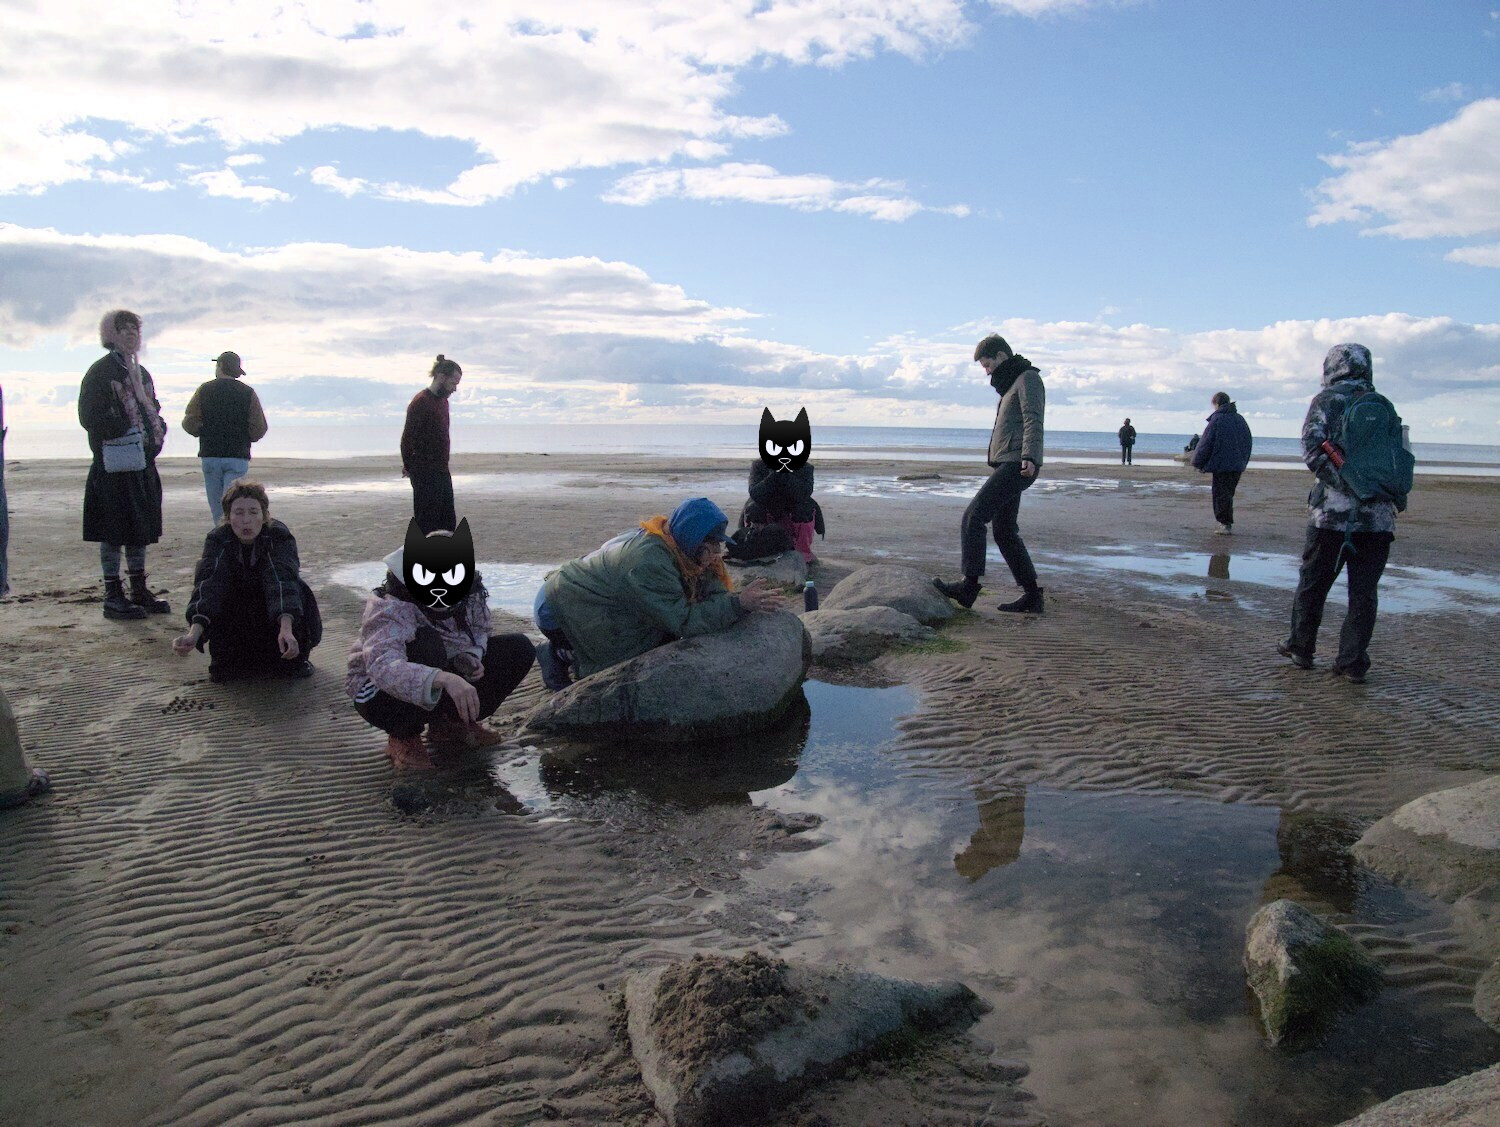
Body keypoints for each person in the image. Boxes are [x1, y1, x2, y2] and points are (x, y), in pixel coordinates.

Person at [533, 497, 784, 688]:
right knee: (633, 655)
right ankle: (559, 654)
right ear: (695, 539)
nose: (717, 552)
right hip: (559, 605)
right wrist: (737, 605)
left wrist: (734, 603)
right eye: (713, 545)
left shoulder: (685, 548)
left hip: (592, 596)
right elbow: (683, 621)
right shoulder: (649, 563)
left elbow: (711, 594)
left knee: (661, 632)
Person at [347, 526, 535, 768]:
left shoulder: (470, 591)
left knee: (518, 648)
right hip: (375, 692)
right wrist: (444, 678)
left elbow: (480, 629)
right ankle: (403, 735)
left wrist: (470, 655)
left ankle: (449, 723)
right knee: (427, 646)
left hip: (441, 667)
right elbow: (382, 666)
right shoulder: (390, 606)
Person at [1278, 344, 1399, 684]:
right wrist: (1380, 493)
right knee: (1363, 592)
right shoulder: (1384, 406)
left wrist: (1347, 485)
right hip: (1377, 519)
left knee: (1313, 583)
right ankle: (1352, 661)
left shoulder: (1327, 401)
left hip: (1331, 516)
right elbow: (1400, 459)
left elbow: (1312, 451)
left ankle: (1301, 647)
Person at [933, 334, 1046, 614]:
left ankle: (968, 587)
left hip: (1017, 463)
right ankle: (1032, 595)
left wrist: (1029, 456)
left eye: (987, 364)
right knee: (1005, 531)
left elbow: (1033, 418)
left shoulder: (1028, 378)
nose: (986, 371)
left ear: (1001, 357)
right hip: (1009, 462)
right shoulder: (1012, 383)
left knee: (973, 517)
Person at [174, 480, 320, 682]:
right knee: (224, 670)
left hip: (273, 610)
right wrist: (193, 633)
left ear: (264, 515)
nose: (246, 520)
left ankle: (294, 655)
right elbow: (209, 583)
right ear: (228, 516)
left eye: (253, 512)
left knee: (289, 663)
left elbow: (281, 580)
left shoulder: (278, 536)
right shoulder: (218, 539)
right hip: (237, 610)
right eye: (238, 513)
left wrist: (286, 628)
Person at [78, 309, 170, 621]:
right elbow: (89, 417)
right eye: (124, 329)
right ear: (111, 334)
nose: (131, 334)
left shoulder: (141, 373)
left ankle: (139, 590)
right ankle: (113, 595)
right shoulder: (101, 372)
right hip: (113, 466)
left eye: (135, 329)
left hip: (141, 463)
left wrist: (155, 429)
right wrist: (124, 428)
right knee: (112, 531)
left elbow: (151, 408)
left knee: (139, 530)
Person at [181, 351, 269, 525]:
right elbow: (259, 428)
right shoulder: (247, 392)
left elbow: (189, 421)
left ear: (220, 366)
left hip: (211, 454)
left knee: (217, 508)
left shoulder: (204, 389)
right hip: (237, 455)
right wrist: (244, 436)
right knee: (232, 504)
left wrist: (203, 430)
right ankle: (232, 539)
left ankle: (221, 539)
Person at [401, 354, 461, 534]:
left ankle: (443, 561)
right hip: (424, 473)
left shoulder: (443, 402)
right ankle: (422, 560)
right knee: (427, 524)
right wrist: (409, 466)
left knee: (448, 523)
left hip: (442, 470)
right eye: (453, 383)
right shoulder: (421, 402)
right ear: (441, 377)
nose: (455, 389)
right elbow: (407, 438)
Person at [1190, 391, 1254, 534]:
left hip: (1222, 464)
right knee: (1227, 493)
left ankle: (1224, 524)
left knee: (1220, 494)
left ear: (1216, 404)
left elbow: (1206, 443)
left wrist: (1197, 462)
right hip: (1236, 464)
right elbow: (1247, 442)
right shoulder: (1240, 419)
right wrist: (1243, 460)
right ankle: (1225, 522)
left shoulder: (1217, 420)